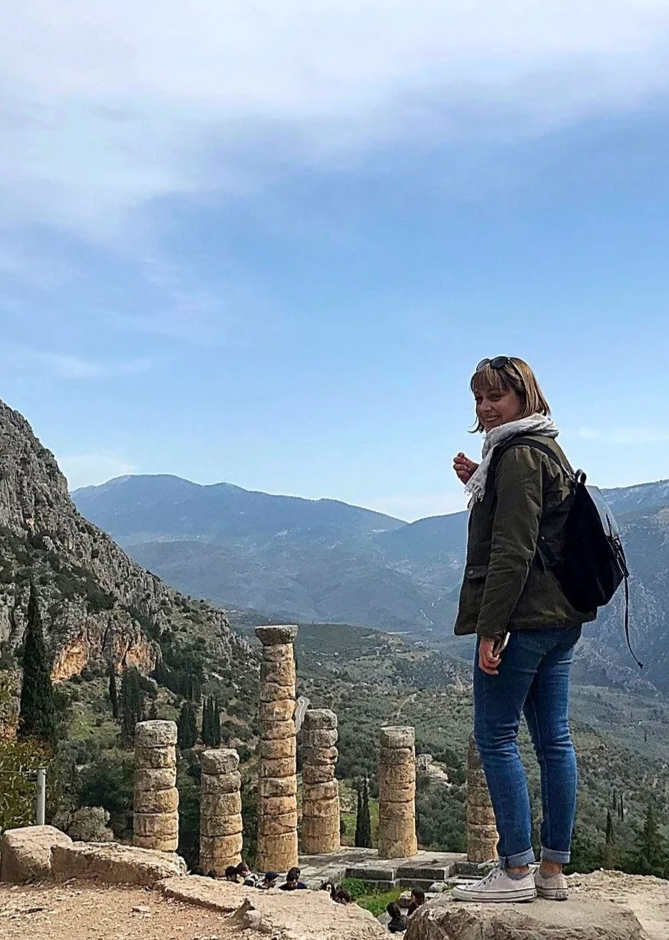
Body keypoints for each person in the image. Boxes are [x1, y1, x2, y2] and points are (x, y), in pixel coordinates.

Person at [451, 357, 595, 904]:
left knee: (495, 735)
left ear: (523, 397)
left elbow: (513, 549)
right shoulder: (545, 446)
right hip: (563, 619)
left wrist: (492, 628)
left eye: (496, 398)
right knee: (554, 740)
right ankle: (552, 872)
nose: (486, 409)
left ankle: (513, 869)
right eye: (479, 399)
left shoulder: (514, 456)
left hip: (524, 619)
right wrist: (481, 482)